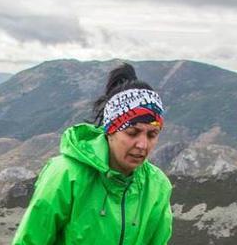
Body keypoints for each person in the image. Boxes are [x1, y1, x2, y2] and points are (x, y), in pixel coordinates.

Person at [13, 63, 173, 244]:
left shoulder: (157, 186)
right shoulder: (66, 174)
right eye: (132, 133)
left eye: (152, 135)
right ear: (110, 130)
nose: (142, 144)